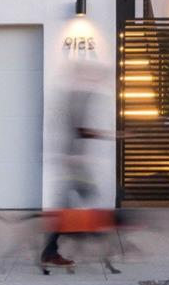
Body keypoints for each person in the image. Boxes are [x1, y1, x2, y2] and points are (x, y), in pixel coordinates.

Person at [40, 61, 115, 267]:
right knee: (84, 198)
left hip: (71, 162)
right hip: (71, 163)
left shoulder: (75, 96)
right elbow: (80, 130)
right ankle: (65, 238)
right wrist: (111, 135)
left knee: (80, 200)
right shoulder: (75, 97)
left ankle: (60, 241)